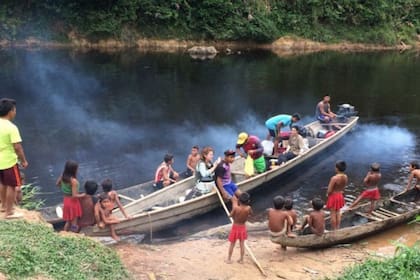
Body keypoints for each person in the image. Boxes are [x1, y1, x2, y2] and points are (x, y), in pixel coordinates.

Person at [0, 98, 28, 219]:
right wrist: (23, 161)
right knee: (11, 185)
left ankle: (3, 206)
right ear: (10, 111)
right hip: (9, 161)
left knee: (1, 183)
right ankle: (10, 212)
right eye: (14, 110)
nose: (15, 112)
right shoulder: (11, 127)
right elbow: (17, 147)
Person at [56, 160, 85, 232]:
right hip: (73, 202)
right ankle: (74, 234)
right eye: (77, 168)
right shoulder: (73, 181)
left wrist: (65, 190)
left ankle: (64, 233)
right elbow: (74, 195)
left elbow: (57, 184)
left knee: (68, 221)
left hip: (66, 200)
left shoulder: (63, 176)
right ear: (73, 170)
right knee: (74, 222)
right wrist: (83, 195)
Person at [226, 192, 252, 264]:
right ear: (248, 201)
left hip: (235, 227)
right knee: (242, 244)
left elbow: (230, 215)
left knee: (232, 244)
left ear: (239, 201)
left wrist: (231, 214)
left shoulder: (236, 208)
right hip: (242, 227)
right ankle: (241, 259)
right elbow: (250, 214)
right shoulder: (248, 208)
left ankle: (229, 259)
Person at [325, 160, 348, 230]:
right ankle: (337, 227)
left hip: (333, 196)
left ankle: (334, 229)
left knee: (332, 213)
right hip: (340, 195)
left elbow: (329, 190)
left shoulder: (334, 178)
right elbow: (343, 186)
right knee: (338, 212)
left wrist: (327, 194)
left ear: (337, 168)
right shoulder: (345, 176)